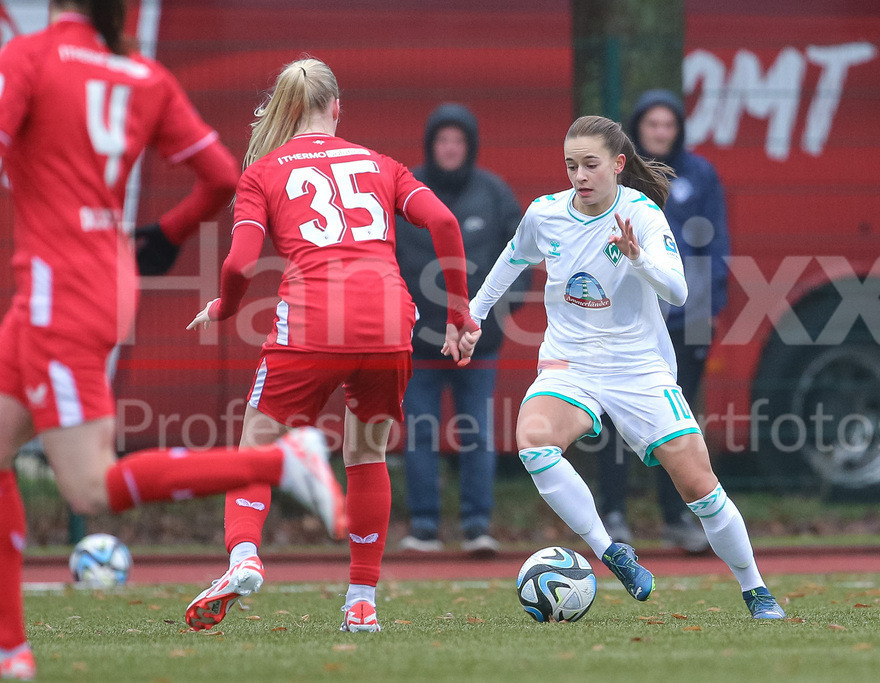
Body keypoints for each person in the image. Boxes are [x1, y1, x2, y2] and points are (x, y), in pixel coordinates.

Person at [0, 5, 344, 680]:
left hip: (56, 289)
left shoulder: (32, 58)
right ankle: (13, 650)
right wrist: (167, 234)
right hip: (104, 276)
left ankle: (277, 464)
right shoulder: (143, 75)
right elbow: (218, 175)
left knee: (89, 486)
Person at [185, 59, 478, 634]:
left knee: (255, 447)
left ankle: (244, 557)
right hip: (390, 319)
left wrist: (226, 307)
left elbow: (241, 260)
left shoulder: (263, 172)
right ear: (336, 108)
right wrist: (460, 313)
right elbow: (444, 221)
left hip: (314, 320)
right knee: (366, 455)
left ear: (287, 110)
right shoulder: (381, 163)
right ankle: (361, 601)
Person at [466, 115, 783, 618]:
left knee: (698, 484)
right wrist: (473, 315)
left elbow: (678, 291)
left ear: (617, 165)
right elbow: (512, 257)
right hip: (570, 364)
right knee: (533, 440)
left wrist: (638, 259)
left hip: (639, 367)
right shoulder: (545, 213)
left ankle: (755, 588)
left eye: (590, 164)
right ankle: (611, 550)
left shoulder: (643, 214)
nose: (580, 176)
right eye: (571, 166)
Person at [594, 89, 730, 552]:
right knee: (611, 418)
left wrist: (706, 310)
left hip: (682, 320)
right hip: (623, 321)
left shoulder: (700, 176)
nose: (660, 133)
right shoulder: (617, 175)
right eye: (652, 125)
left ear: (678, 130)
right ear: (638, 130)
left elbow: (714, 248)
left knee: (677, 422)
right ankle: (613, 515)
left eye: (667, 125)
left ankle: (679, 519)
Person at [394, 103, 524, 555]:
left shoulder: (494, 193)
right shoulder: (405, 191)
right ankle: (424, 528)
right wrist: (401, 318)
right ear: (431, 146)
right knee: (420, 433)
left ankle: (476, 528)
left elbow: (523, 257)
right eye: (442, 141)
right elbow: (382, 256)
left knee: (477, 433)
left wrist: (491, 319)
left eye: (458, 141)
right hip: (417, 344)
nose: (450, 149)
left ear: (469, 147)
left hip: (477, 343)